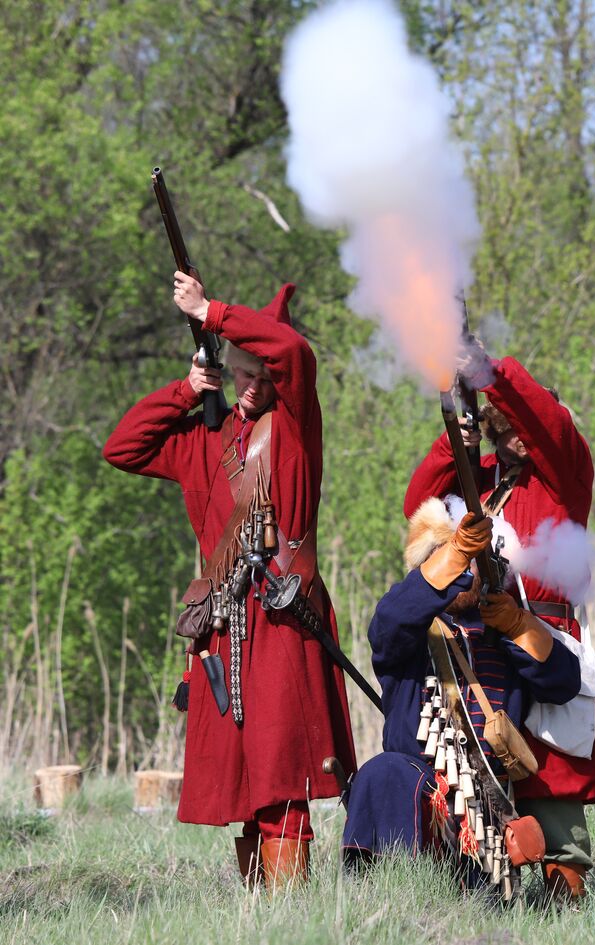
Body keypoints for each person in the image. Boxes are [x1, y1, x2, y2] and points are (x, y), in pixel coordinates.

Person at [103, 271, 356, 889]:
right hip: (223, 626)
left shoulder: (296, 427)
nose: (253, 385)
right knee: (245, 778)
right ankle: (257, 913)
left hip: (281, 616)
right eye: (243, 373)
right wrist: (186, 391)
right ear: (226, 369)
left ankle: (294, 915)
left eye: (262, 376)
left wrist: (210, 309)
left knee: (283, 772)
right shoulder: (205, 437)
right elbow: (122, 448)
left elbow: (293, 352)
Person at [403, 344, 595, 900]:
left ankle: (562, 900)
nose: (524, 433)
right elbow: (418, 506)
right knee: (478, 776)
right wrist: (459, 446)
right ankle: (484, 892)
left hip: (539, 637)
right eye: (511, 425)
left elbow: (549, 426)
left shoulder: (563, 477)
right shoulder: (485, 479)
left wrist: (487, 369)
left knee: (553, 778)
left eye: (527, 421)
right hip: (481, 646)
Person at [342, 500, 581, 889]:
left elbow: (564, 681)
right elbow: (392, 620)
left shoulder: (505, 630)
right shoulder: (409, 626)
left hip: (482, 816)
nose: (464, 571)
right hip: (415, 798)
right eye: (454, 559)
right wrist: (455, 553)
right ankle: (384, 895)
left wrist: (518, 624)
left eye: (473, 560)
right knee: (382, 773)